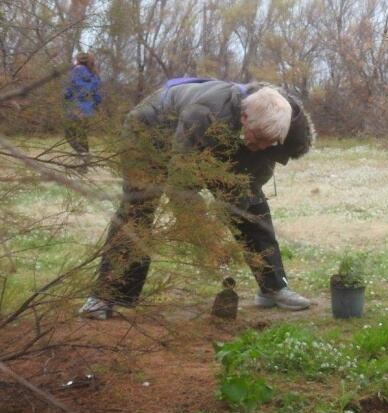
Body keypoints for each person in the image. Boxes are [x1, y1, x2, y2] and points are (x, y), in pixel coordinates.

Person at [79, 78, 314, 319]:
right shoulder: (203, 114)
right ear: (244, 119)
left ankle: (273, 287)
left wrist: (239, 200)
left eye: (270, 142)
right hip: (150, 132)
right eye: (259, 138)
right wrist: (204, 234)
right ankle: (105, 296)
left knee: (252, 205)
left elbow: (253, 174)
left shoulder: (284, 118)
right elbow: (182, 184)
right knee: (138, 209)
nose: (264, 146)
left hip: (218, 134)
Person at [64, 52, 102, 171]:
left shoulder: (75, 71)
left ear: (79, 60)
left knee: (69, 135)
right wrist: (94, 105)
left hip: (75, 108)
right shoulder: (94, 75)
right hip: (87, 110)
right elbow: (98, 96)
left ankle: (84, 155)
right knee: (81, 135)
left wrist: (66, 96)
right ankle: (84, 166)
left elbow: (68, 90)